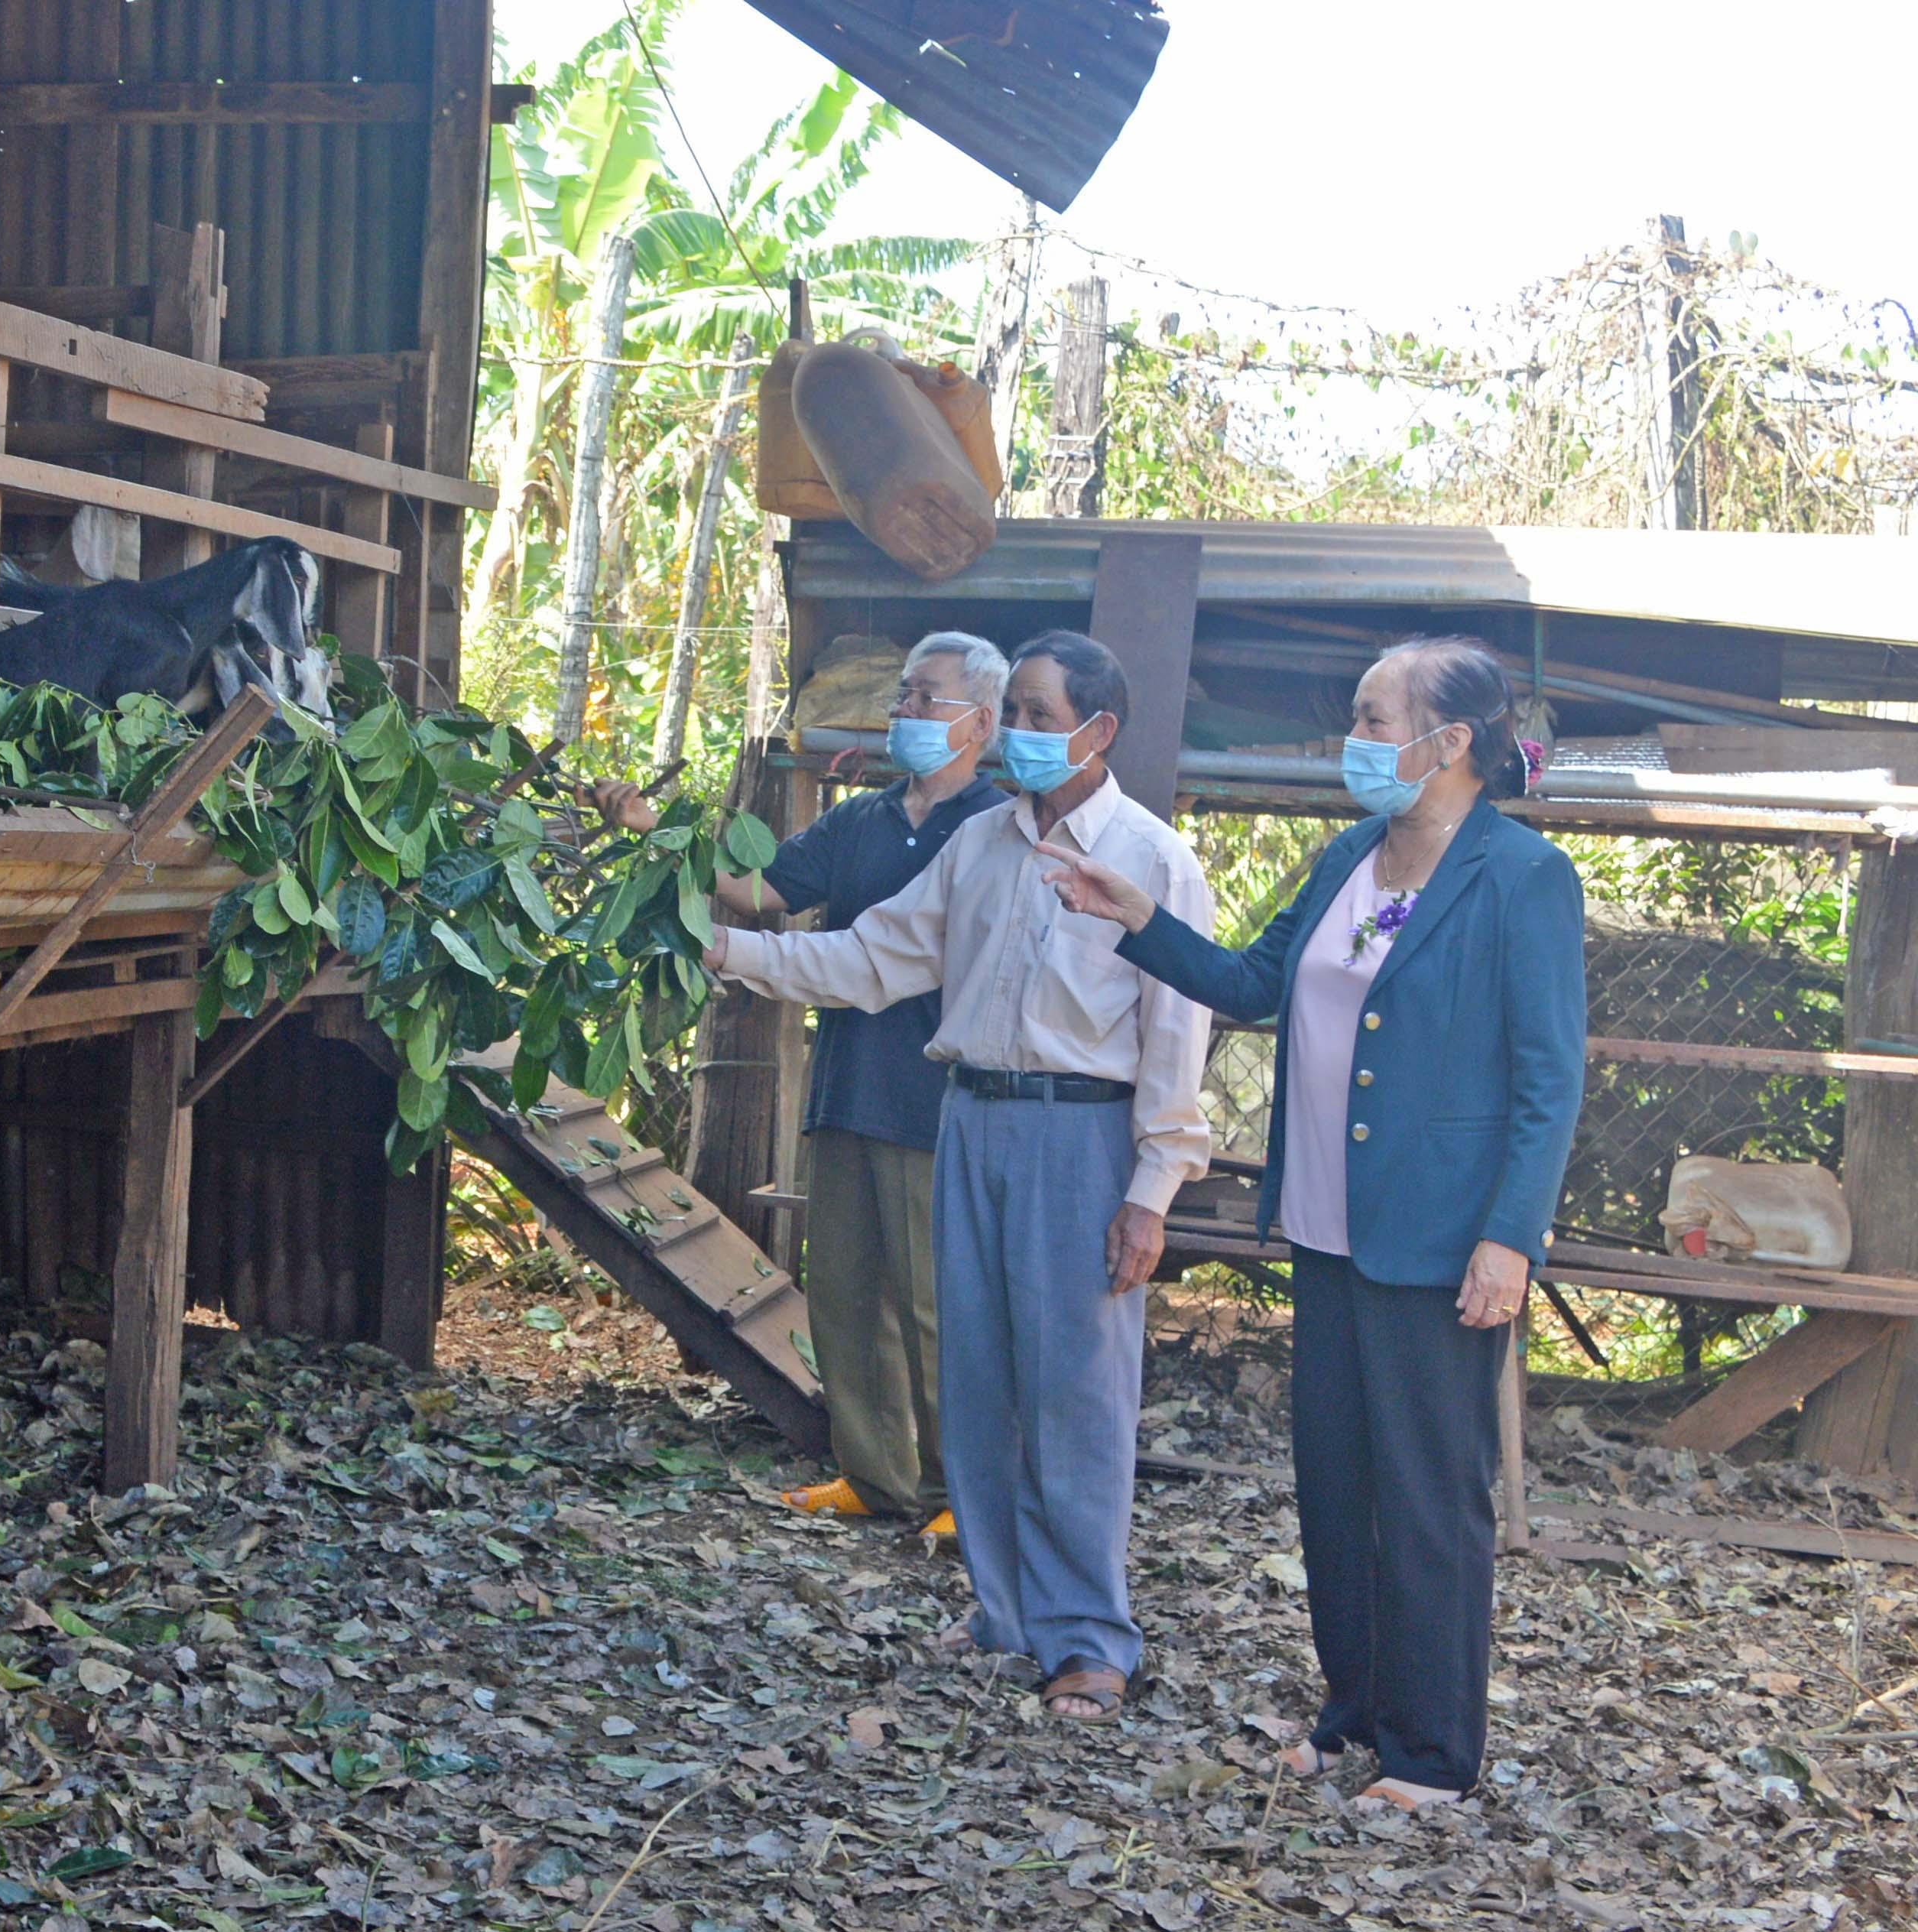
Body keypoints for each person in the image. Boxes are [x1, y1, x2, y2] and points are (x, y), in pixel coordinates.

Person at [1039, 635, 1585, 1809]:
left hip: (1442, 1236)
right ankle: (1354, 1715)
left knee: (1431, 1497)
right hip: (1328, 1224)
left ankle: (1433, 1753)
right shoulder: (1350, 852)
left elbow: (1549, 1078)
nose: (1355, 736)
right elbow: (1251, 981)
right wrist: (1135, 913)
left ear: (1449, 743)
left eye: (1374, 716)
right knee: (1336, 1484)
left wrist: (1512, 1236)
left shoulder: (1521, 875)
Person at [699, 632, 1215, 1721]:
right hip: (970, 1117)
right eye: (1012, 711)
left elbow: (1177, 1038)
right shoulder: (980, 847)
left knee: (1074, 1391)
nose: (1016, 733)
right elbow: (872, 957)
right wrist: (734, 954)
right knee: (978, 1384)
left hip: (1084, 1136)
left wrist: (1153, 1190)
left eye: (1034, 713)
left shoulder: (1153, 859)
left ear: (1098, 729)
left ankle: (1089, 1638)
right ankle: (1007, 1608)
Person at [594, 632, 1008, 1535]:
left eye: (923, 697)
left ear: (979, 721)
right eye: (901, 693)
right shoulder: (858, 822)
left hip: (937, 1100)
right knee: (846, 1295)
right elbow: (753, 890)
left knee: (933, 1306)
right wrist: (652, 834)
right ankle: (875, 1475)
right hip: (847, 1081)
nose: (902, 710)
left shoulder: (998, 828)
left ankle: (955, 1496)